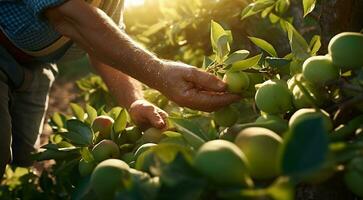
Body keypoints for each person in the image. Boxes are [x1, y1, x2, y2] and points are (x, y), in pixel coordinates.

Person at [0, 0, 239, 177]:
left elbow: (105, 48)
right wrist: (159, 73)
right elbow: (67, 15)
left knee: (24, 158)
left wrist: (134, 101)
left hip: (37, 65)